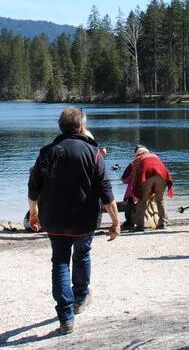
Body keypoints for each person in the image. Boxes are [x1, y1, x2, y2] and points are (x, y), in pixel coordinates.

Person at [27, 107, 121, 336]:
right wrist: (116, 221)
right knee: (81, 254)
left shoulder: (46, 152)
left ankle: (66, 317)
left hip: (54, 220)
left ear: (61, 127)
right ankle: (80, 296)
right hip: (85, 220)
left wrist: (34, 213)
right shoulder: (93, 153)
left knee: (60, 262)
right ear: (81, 127)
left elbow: (33, 188)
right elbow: (106, 192)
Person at [122, 146, 174, 230]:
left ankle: (140, 225)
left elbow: (135, 176)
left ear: (137, 154)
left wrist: (135, 191)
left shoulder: (137, 160)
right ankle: (163, 223)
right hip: (162, 174)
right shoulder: (155, 156)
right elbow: (162, 167)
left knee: (142, 200)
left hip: (148, 174)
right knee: (160, 199)